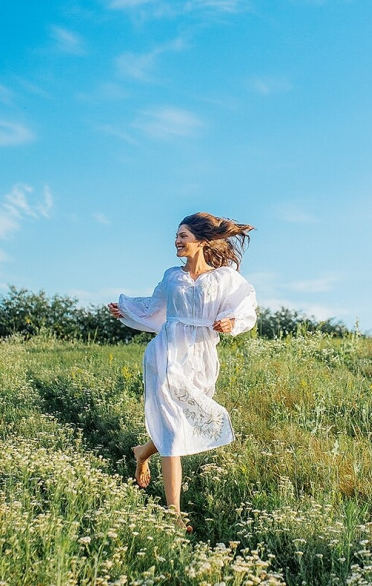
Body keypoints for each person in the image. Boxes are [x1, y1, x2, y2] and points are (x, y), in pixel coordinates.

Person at [107, 212, 257, 529]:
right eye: (176, 235)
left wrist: (230, 322)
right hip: (166, 353)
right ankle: (174, 515)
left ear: (202, 241)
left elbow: (246, 305)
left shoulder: (224, 278)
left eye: (183, 235)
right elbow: (153, 308)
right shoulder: (171, 277)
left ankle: (142, 453)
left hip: (201, 357)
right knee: (174, 431)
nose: (177, 240)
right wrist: (127, 311)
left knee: (194, 419)